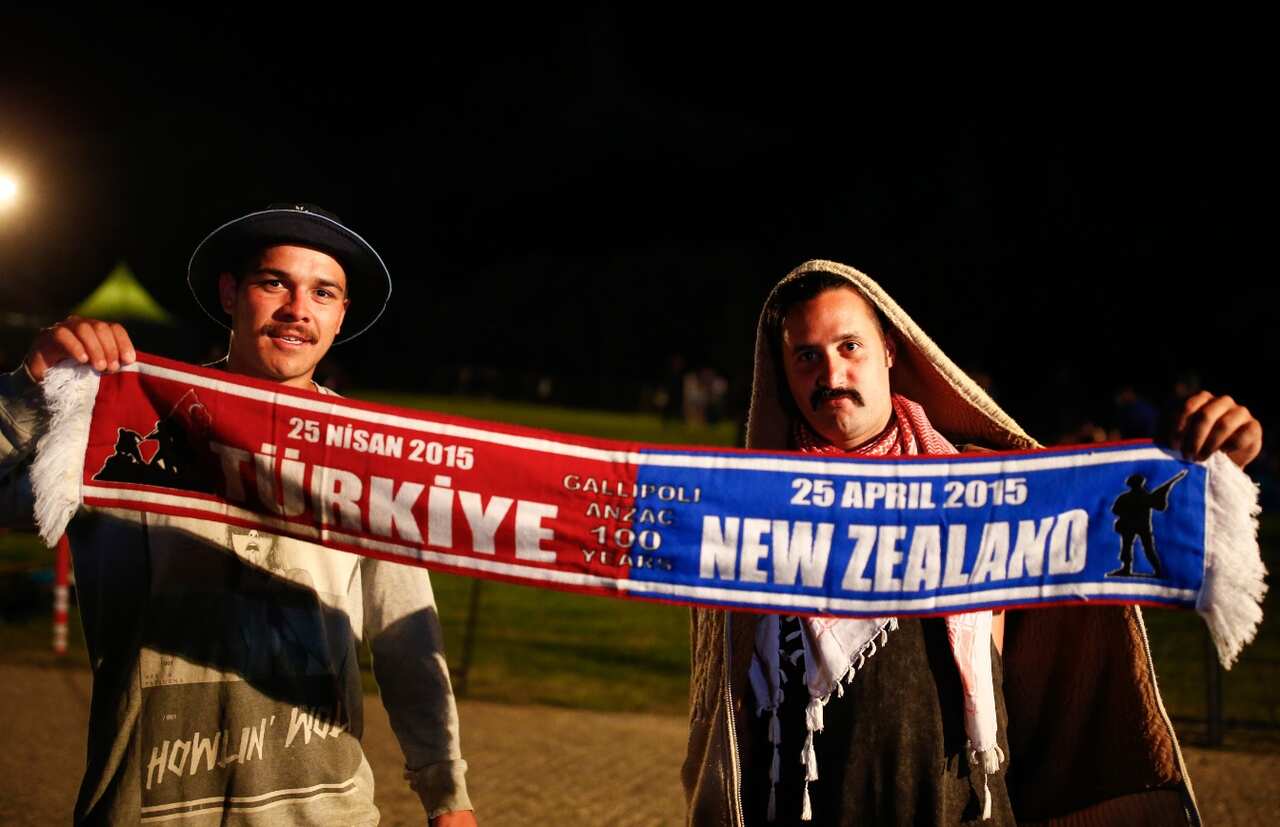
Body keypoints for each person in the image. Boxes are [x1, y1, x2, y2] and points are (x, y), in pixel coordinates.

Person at [682, 260, 1261, 826]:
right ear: (782, 372)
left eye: (849, 347)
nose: (831, 374)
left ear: (889, 350)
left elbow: (1126, 522)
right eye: (807, 356)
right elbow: (722, 711)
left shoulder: (990, 487)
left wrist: (1216, 463)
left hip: (966, 809)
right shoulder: (750, 508)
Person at [0, 204, 477, 826]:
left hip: (324, 815)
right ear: (230, 294)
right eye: (273, 282)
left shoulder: (365, 451)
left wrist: (447, 794)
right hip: (148, 812)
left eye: (323, 292)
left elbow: (405, 635)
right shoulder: (122, 422)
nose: (297, 308)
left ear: (339, 316)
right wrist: (30, 385)